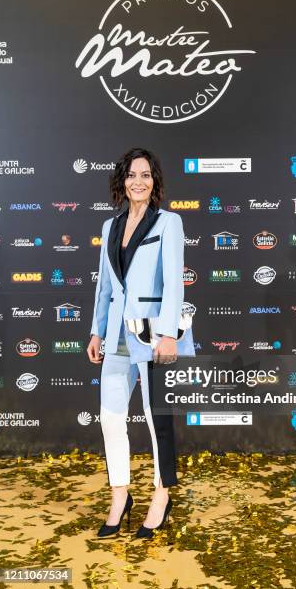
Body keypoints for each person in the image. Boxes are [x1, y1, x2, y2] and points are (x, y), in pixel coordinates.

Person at [87, 147, 195, 539]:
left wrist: (169, 334)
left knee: (156, 420)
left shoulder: (169, 223)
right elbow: (105, 286)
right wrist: (96, 330)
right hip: (115, 334)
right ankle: (120, 496)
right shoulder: (109, 226)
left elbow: (174, 282)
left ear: (155, 181)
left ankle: (161, 496)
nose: (139, 181)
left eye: (146, 175)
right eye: (132, 175)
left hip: (152, 336)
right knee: (112, 418)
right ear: (122, 181)